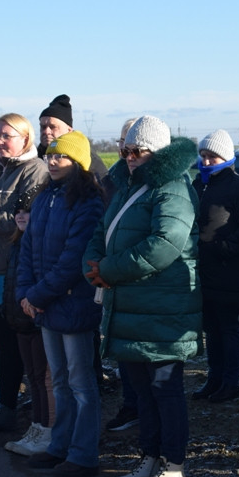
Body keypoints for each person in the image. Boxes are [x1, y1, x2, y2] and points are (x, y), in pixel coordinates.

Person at [83, 115, 201, 477]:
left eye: (138, 151)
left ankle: (174, 465)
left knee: (165, 388)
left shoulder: (173, 188)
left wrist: (109, 270)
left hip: (163, 306)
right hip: (129, 303)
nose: (130, 158)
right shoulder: (128, 186)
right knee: (140, 388)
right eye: (125, 150)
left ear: (157, 152)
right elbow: (103, 231)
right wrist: (93, 266)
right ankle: (150, 458)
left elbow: (166, 243)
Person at [19, 131, 106, 477]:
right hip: (46, 306)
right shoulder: (43, 199)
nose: (52, 162)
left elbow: (73, 261)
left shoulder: (88, 203)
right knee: (59, 380)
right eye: (49, 156)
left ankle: (83, 454)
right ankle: (60, 446)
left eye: (60, 157)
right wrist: (25, 292)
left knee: (81, 383)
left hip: (73, 305)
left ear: (79, 162)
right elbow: (27, 249)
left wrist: (36, 295)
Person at [0, 113, 50, 433]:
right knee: (3, 343)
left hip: (14, 272)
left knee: (21, 343)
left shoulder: (36, 171)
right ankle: (7, 404)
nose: (0, 141)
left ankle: (26, 409)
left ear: (26, 138)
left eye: (8, 135)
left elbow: (22, 220)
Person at [191, 130, 239, 403]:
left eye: (212, 156)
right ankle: (214, 378)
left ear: (226, 157)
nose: (206, 162)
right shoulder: (199, 184)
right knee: (211, 328)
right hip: (203, 269)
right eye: (203, 156)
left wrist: (224, 248)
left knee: (228, 327)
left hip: (228, 270)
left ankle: (231, 382)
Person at [1, 189, 53, 456]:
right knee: (32, 376)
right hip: (19, 319)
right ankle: (36, 425)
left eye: (27, 212)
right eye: (18, 212)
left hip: (35, 318)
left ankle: (47, 429)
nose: (22, 216)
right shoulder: (16, 242)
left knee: (45, 378)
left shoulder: (38, 242)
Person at [103, 117, 142, 433]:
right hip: (113, 282)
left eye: (132, 145)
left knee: (142, 362)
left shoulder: (162, 187)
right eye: (121, 143)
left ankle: (137, 409)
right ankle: (131, 405)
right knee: (123, 355)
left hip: (136, 282)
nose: (124, 150)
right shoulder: (114, 180)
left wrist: (109, 267)